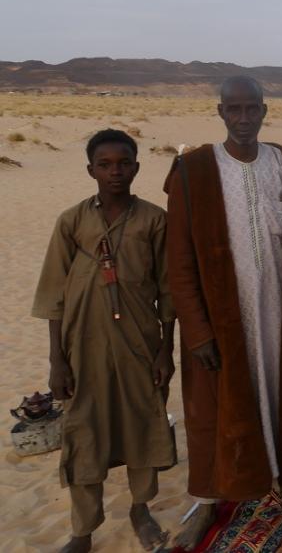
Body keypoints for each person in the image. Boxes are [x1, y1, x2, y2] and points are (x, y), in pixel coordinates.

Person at [166, 76, 282, 549]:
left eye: (253, 109)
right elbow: (179, 260)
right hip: (220, 321)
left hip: (278, 314)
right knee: (213, 409)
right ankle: (209, 501)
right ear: (220, 113)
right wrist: (197, 331)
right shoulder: (193, 170)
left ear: (265, 111)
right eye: (236, 109)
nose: (245, 118)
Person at [32, 129, 176, 553]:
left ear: (136, 167)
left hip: (139, 343)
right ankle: (83, 529)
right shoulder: (72, 221)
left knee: (142, 422)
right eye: (105, 165)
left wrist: (166, 350)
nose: (115, 172)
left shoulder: (153, 220)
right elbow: (53, 295)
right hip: (83, 347)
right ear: (91, 170)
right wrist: (57, 360)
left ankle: (140, 508)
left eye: (124, 163)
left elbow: (167, 292)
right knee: (84, 431)